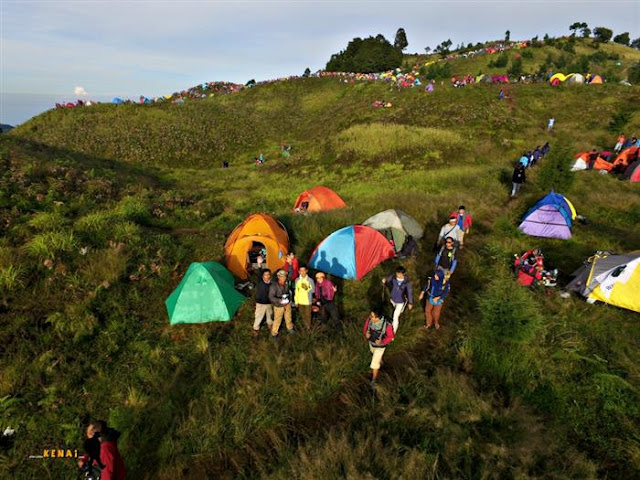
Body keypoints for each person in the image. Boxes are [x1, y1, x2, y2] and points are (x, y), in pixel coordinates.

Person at [363, 310, 394, 388]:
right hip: (372, 344)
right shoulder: (369, 320)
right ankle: (381, 361)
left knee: (374, 364)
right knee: (374, 354)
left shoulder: (387, 325)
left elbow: (391, 337)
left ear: (379, 317)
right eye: (371, 315)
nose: (371, 318)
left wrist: (382, 341)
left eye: (373, 316)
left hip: (380, 347)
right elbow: (365, 328)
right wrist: (366, 333)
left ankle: (374, 380)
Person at [382, 266, 414, 333]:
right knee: (394, 309)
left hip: (401, 301)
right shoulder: (394, 277)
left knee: (395, 316)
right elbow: (389, 278)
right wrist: (385, 279)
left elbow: (409, 292)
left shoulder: (407, 282)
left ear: (403, 274)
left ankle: (393, 332)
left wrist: (410, 303)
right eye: (397, 274)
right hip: (393, 299)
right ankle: (400, 310)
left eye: (399, 274)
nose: (397, 275)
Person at [269, 270, 295, 339]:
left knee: (288, 317)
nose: (284, 278)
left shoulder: (286, 283)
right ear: (278, 277)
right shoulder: (273, 286)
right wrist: (278, 300)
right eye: (282, 276)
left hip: (287, 304)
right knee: (277, 319)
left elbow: (290, 273)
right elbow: (271, 297)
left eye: (285, 276)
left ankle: (290, 328)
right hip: (279, 306)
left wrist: (290, 264)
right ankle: (274, 333)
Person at [253, 269, 273, 338]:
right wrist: (259, 265)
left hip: (269, 303)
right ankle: (256, 329)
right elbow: (258, 275)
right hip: (260, 303)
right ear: (262, 276)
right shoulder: (260, 283)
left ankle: (269, 325)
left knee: (270, 315)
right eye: (265, 275)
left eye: (268, 274)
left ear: (270, 276)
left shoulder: (272, 284)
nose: (267, 276)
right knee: (258, 316)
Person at [294, 265, 315, 330]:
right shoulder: (297, 280)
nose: (302, 272)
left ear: (306, 271)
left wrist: (307, 288)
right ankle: (305, 327)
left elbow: (313, 290)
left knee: (308, 315)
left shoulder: (310, 280)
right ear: (299, 272)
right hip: (300, 301)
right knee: (302, 315)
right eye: (301, 271)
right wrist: (296, 301)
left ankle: (308, 328)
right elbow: (296, 291)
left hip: (307, 301)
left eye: (304, 270)